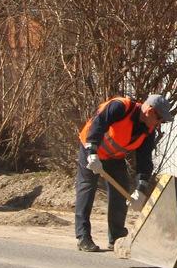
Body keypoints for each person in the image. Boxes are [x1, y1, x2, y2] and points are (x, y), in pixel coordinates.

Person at [74, 94, 172, 252]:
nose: (160, 123)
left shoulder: (148, 131)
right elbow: (98, 124)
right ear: (150, 111)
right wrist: (92, 152)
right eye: (160, 119)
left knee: (120, 191)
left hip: (113, 157)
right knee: (87, 188)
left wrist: (141, 189)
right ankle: (83, 236)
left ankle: (117, 236)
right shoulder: (120, 107)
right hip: (91, 150)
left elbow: (144, 161)